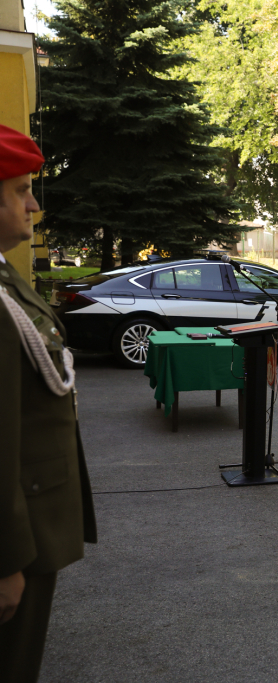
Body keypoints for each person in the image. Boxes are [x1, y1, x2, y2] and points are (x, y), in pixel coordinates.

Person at [0, 123, 97, 682]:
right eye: (19, 190)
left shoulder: (7, 279)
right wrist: (6, 556)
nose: (33, 204)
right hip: (16, 539)